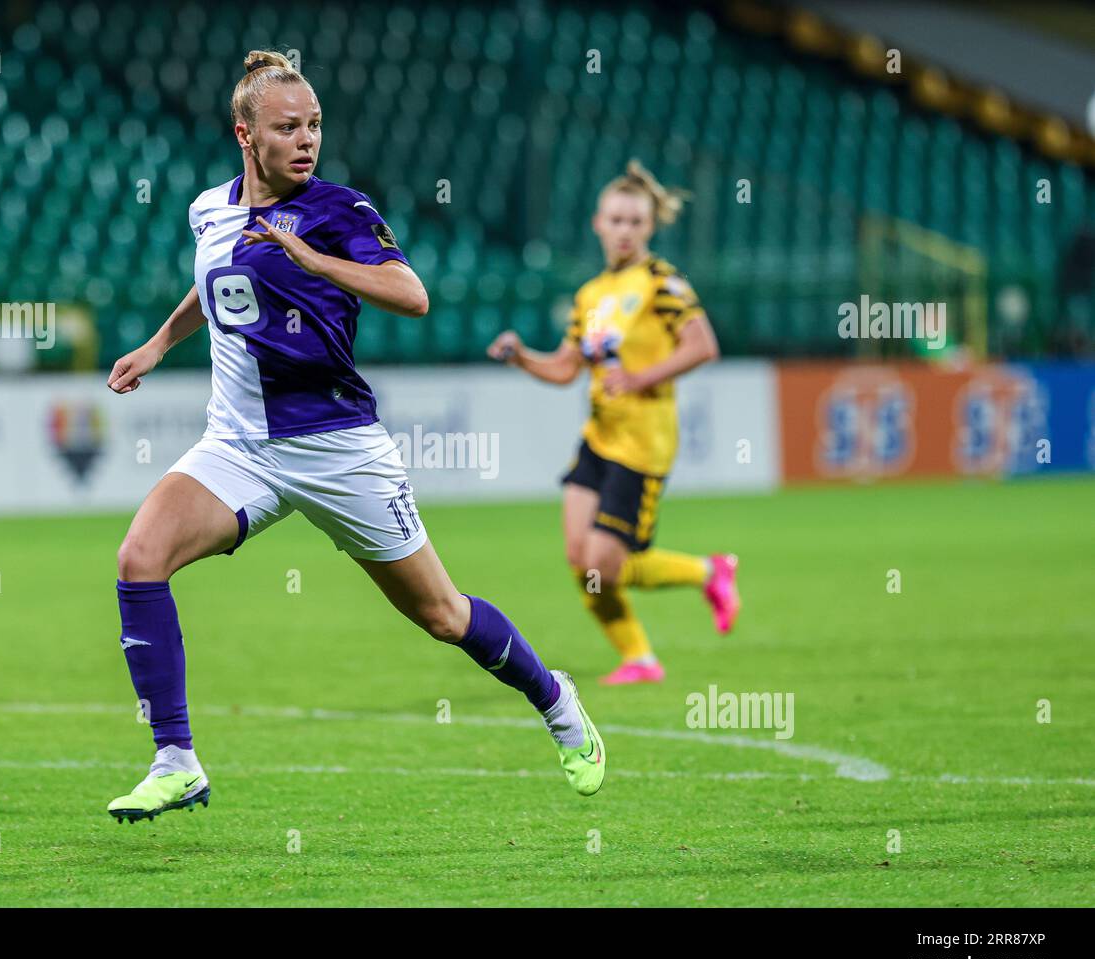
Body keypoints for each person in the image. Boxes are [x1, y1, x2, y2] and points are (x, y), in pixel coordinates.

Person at [103, 51, 606, 823]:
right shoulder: (211, 209)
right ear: (245, 134)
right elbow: (217, 283)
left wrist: (314, 258)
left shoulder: (340, 210)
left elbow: (414, 295)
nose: (306, 141)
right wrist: (157, 345)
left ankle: (556, 698)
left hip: (337, 446)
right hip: (238, 446)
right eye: (287, 128)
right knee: (140, 557)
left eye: (314, 126)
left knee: (443, 614)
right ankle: (176, 759)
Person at [487, 161, 740, 686]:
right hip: (600, 438)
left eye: (635, 222)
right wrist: (521, 356)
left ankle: (710, 572)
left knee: (608, 568)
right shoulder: (590, 296)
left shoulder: (663, 283)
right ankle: (640, 659)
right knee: (580, 559)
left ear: (649, 228)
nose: (624, 230)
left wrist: (642, 377)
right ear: (598, 224)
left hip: (643, 444)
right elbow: (565, 369)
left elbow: (703, 346)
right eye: (616, 220)